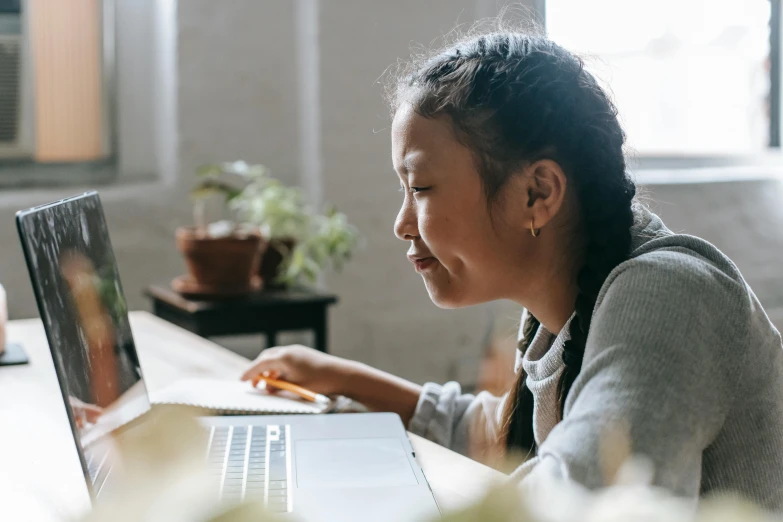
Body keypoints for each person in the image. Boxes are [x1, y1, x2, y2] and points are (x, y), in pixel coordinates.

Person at [241, 31, 783, 507]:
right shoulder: (565, 303)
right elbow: (502, 430)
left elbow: (581, 499)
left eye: (422, 188)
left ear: (537, 192)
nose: (402, 224)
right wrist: (339, 378)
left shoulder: (666, 296)